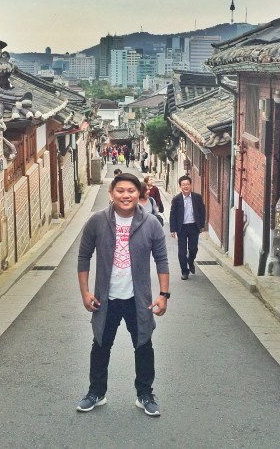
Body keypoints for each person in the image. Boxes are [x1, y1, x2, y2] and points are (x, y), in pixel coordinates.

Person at [76, 173, 170, 417]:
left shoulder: (151, 223)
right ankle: (96, 392)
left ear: (139, 193)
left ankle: (145, 394)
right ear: (111, 193)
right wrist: (85, 292)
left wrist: (163, 295)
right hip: (105, 299)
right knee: (100, 344)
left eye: (131, 190)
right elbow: (84, 257)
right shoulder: (97, 221)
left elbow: (161, 259)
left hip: (138, 300)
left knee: (143, 345)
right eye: (120, 191)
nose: (126, 195)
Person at [169, 175, 206, 280]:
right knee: (182, 252)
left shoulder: (197, 197)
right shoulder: (176, 199)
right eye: (183, 185)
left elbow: (202, 212)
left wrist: (202, 225)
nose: (186, 186)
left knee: (193, 249)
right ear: (180, 186)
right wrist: (173, 230)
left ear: (191, 185)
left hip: (194, 226)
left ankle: (190, 261)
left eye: (187, 184)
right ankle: (184, 271)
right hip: (182, 228)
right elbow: (173, 214)